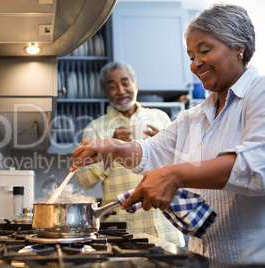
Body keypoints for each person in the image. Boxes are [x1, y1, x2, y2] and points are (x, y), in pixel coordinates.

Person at [71, 3, 265, 265]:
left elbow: (256, 165)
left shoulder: (259, 93)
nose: (196, 64)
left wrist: (174, 174)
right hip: (200, 258)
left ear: (239, 46)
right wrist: (114, 146)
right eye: (190, 56)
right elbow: (152, 152)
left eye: (204, 50)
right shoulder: (194, 116)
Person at [76, 61, 185, 247]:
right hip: (125, 234)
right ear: (105, 92)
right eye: (112, 86)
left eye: (125, 83)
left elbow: (182, 166)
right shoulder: (95, 129)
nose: (120, 90)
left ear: (135, 84)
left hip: (168, 227)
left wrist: (166, 146)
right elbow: (84, 181)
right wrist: (110, 148)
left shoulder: (160, 118)